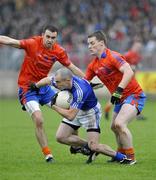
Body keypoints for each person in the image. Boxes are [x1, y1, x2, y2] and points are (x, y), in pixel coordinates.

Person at [0, 25, 85, 162]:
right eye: (48, 37)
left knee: (71, 111)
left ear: (56, 38)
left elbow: (72, 67)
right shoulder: (32, 43)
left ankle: (74, 145)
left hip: (44, 89)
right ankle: (48, 154)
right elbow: (11, 41)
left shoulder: (58, 51)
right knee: (39, 120)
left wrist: (87, 82)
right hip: (28, 89)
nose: (50, 40)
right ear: (42, 35)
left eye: (53, 38)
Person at [32, 67, 133, 164]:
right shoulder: (61, 80)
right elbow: (47, 80)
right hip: (75, 109)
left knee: (94, 146)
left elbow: (71, 116)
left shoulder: (80, 91)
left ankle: (122, 157)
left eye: (58, 82)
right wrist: (36, 86)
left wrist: (53, 106)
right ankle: (87, 146)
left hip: (90, 114)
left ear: (67, 80)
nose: (55, 84)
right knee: (61, 137)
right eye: (56, 81)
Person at [84, 30, 146, 165]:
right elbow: (83, 82)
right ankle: (120, 155)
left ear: (101, 43)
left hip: (134, 95)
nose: (89, 46)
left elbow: (129, 72)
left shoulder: (113, 56)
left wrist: (118, 90)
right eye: (88, 43)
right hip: (120, 99)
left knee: (120, 124)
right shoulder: (93, 65)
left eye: (92, 43)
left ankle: (130, 158)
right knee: (113, 127)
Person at [104, 38, 146, 120]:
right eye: (137, 46)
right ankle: (107, 110)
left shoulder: (138, 56)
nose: (138, 48)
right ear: (133, 46)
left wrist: (136, 67)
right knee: (116, 96)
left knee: (129, 96)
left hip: (132, 79)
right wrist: (131, 67)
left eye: (139, 47)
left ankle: (136, 113)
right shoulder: (128, 55)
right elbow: (122, 65)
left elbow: (136, 66)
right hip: (123, 80)